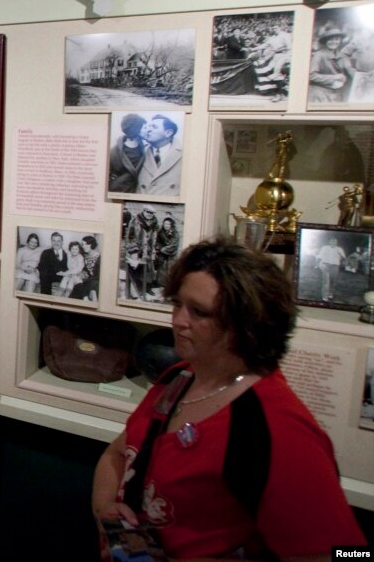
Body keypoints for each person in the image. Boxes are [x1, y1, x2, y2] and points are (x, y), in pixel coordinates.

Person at [92, 237, 366, 559]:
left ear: (247, 327)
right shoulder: (179, 378)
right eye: (177, 304)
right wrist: (107, 515)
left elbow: (347, 554)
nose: (178, 320)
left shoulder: (277, 430)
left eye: (199, 312)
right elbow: (119, 453)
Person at [136, 115, 182, 196]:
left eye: (154, 127)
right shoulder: (139, 152)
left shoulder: (183, 155)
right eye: (149, 126)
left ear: (168, 133)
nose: (148, 130)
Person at [309, 24, 355, 104]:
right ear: (326, 41)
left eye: (336, 39)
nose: (334, 42)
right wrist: (334, 77)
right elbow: (311, 76)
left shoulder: (342, 55)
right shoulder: (319, 55)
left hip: (337, 93)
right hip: (320, 93)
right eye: (330, 40)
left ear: (340, 41)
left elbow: (350, 69)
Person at [108, 113, 146, 194]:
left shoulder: (145, 147)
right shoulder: (114, 152)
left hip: (138, 189)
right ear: (137, 129)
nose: (147, 129)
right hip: (120, 189)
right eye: (144, 127)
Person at [315, 236, 348, 302]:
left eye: (335, 241)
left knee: (332, 281)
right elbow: (319, 256)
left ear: (337, 242)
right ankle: (325, 296)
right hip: (325, 265)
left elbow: (344, 257)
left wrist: (343, 261)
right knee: (326, 281)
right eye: (332, 241)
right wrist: (317, 264)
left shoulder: (339, 249)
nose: (333, 243)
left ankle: (330, 293)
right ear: (329, 242)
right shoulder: (325, 248)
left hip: (335, 266)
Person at [36, 231, 67, 296]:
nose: (56, 243)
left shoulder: (67, 254)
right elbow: (42, 266)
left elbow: (70, 267)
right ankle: (46, 299)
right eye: (54, 241)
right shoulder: (46, 252)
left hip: (63, 276)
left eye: (58, 241)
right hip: (49, 275)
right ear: (51, 241)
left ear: (62, 242)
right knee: (44, 274)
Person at [153, 216, 180, 288]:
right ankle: (160, 284)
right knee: (161, 269)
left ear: (171, 225)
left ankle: (169, 285)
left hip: (171, 255)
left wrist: (163, 249)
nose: (166, 226)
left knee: (170, 269)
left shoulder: (175, 233)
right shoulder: (160, 232)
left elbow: (174, 245)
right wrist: (158, 248)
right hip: (162, 255)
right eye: (165, 224)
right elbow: (157, 242)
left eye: (168, 224)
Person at [71, 235, 100, 302]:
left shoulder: (99, 258)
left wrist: (84, 280)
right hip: (86, 281)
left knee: (94, 284)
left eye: (84, 244)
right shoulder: (84, 256)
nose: (83, 246)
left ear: (90, 244)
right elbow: (83, 269)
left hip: (94, 281)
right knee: (78, 286)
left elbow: (99, 276)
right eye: (82, 244)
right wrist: (82, 274)